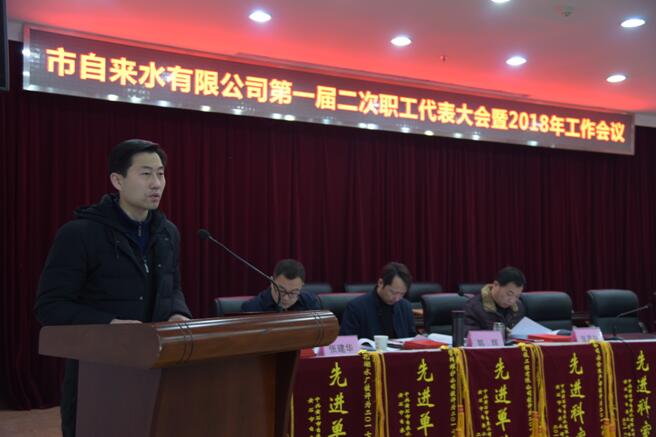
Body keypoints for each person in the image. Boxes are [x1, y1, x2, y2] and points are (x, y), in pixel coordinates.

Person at [34, 139, 192, 437]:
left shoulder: (167, 233)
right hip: (98, 374)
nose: (156, 183)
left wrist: (177, 313)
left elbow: (173, 288)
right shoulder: (80, 234)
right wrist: (111, 325)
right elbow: (50, 306)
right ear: (117, 180)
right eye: (145, 174)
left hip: (156, 370)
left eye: (160, 174)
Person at [339, 262, 416, 339]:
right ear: (380, 283)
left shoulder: (405, 307)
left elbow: (411, 338)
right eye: (393, 292)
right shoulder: (356, 307)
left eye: (402, 294)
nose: (397, 298)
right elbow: (346, 341)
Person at [463, 266, 526, 334]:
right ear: (496, 285)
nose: (512, 300)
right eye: (509, 294)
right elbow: (468, 334)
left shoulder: (518, 307)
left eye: (517, 296)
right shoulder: (473, 307)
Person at [241, 259, 320, 311]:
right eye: (281, 290)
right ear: (272, 282)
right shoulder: (252, 308)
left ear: (301, 286)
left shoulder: (311, 302)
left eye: (293, 292)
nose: (286, 298)